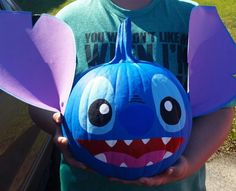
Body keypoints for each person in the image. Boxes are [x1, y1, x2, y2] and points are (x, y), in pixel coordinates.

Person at [29, 0, 234, 190]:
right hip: (87, 181)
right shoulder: (70, 21)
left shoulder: (191, 18)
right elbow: (40, 101)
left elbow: (218, 107)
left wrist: (190, 162)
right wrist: (58, 127)